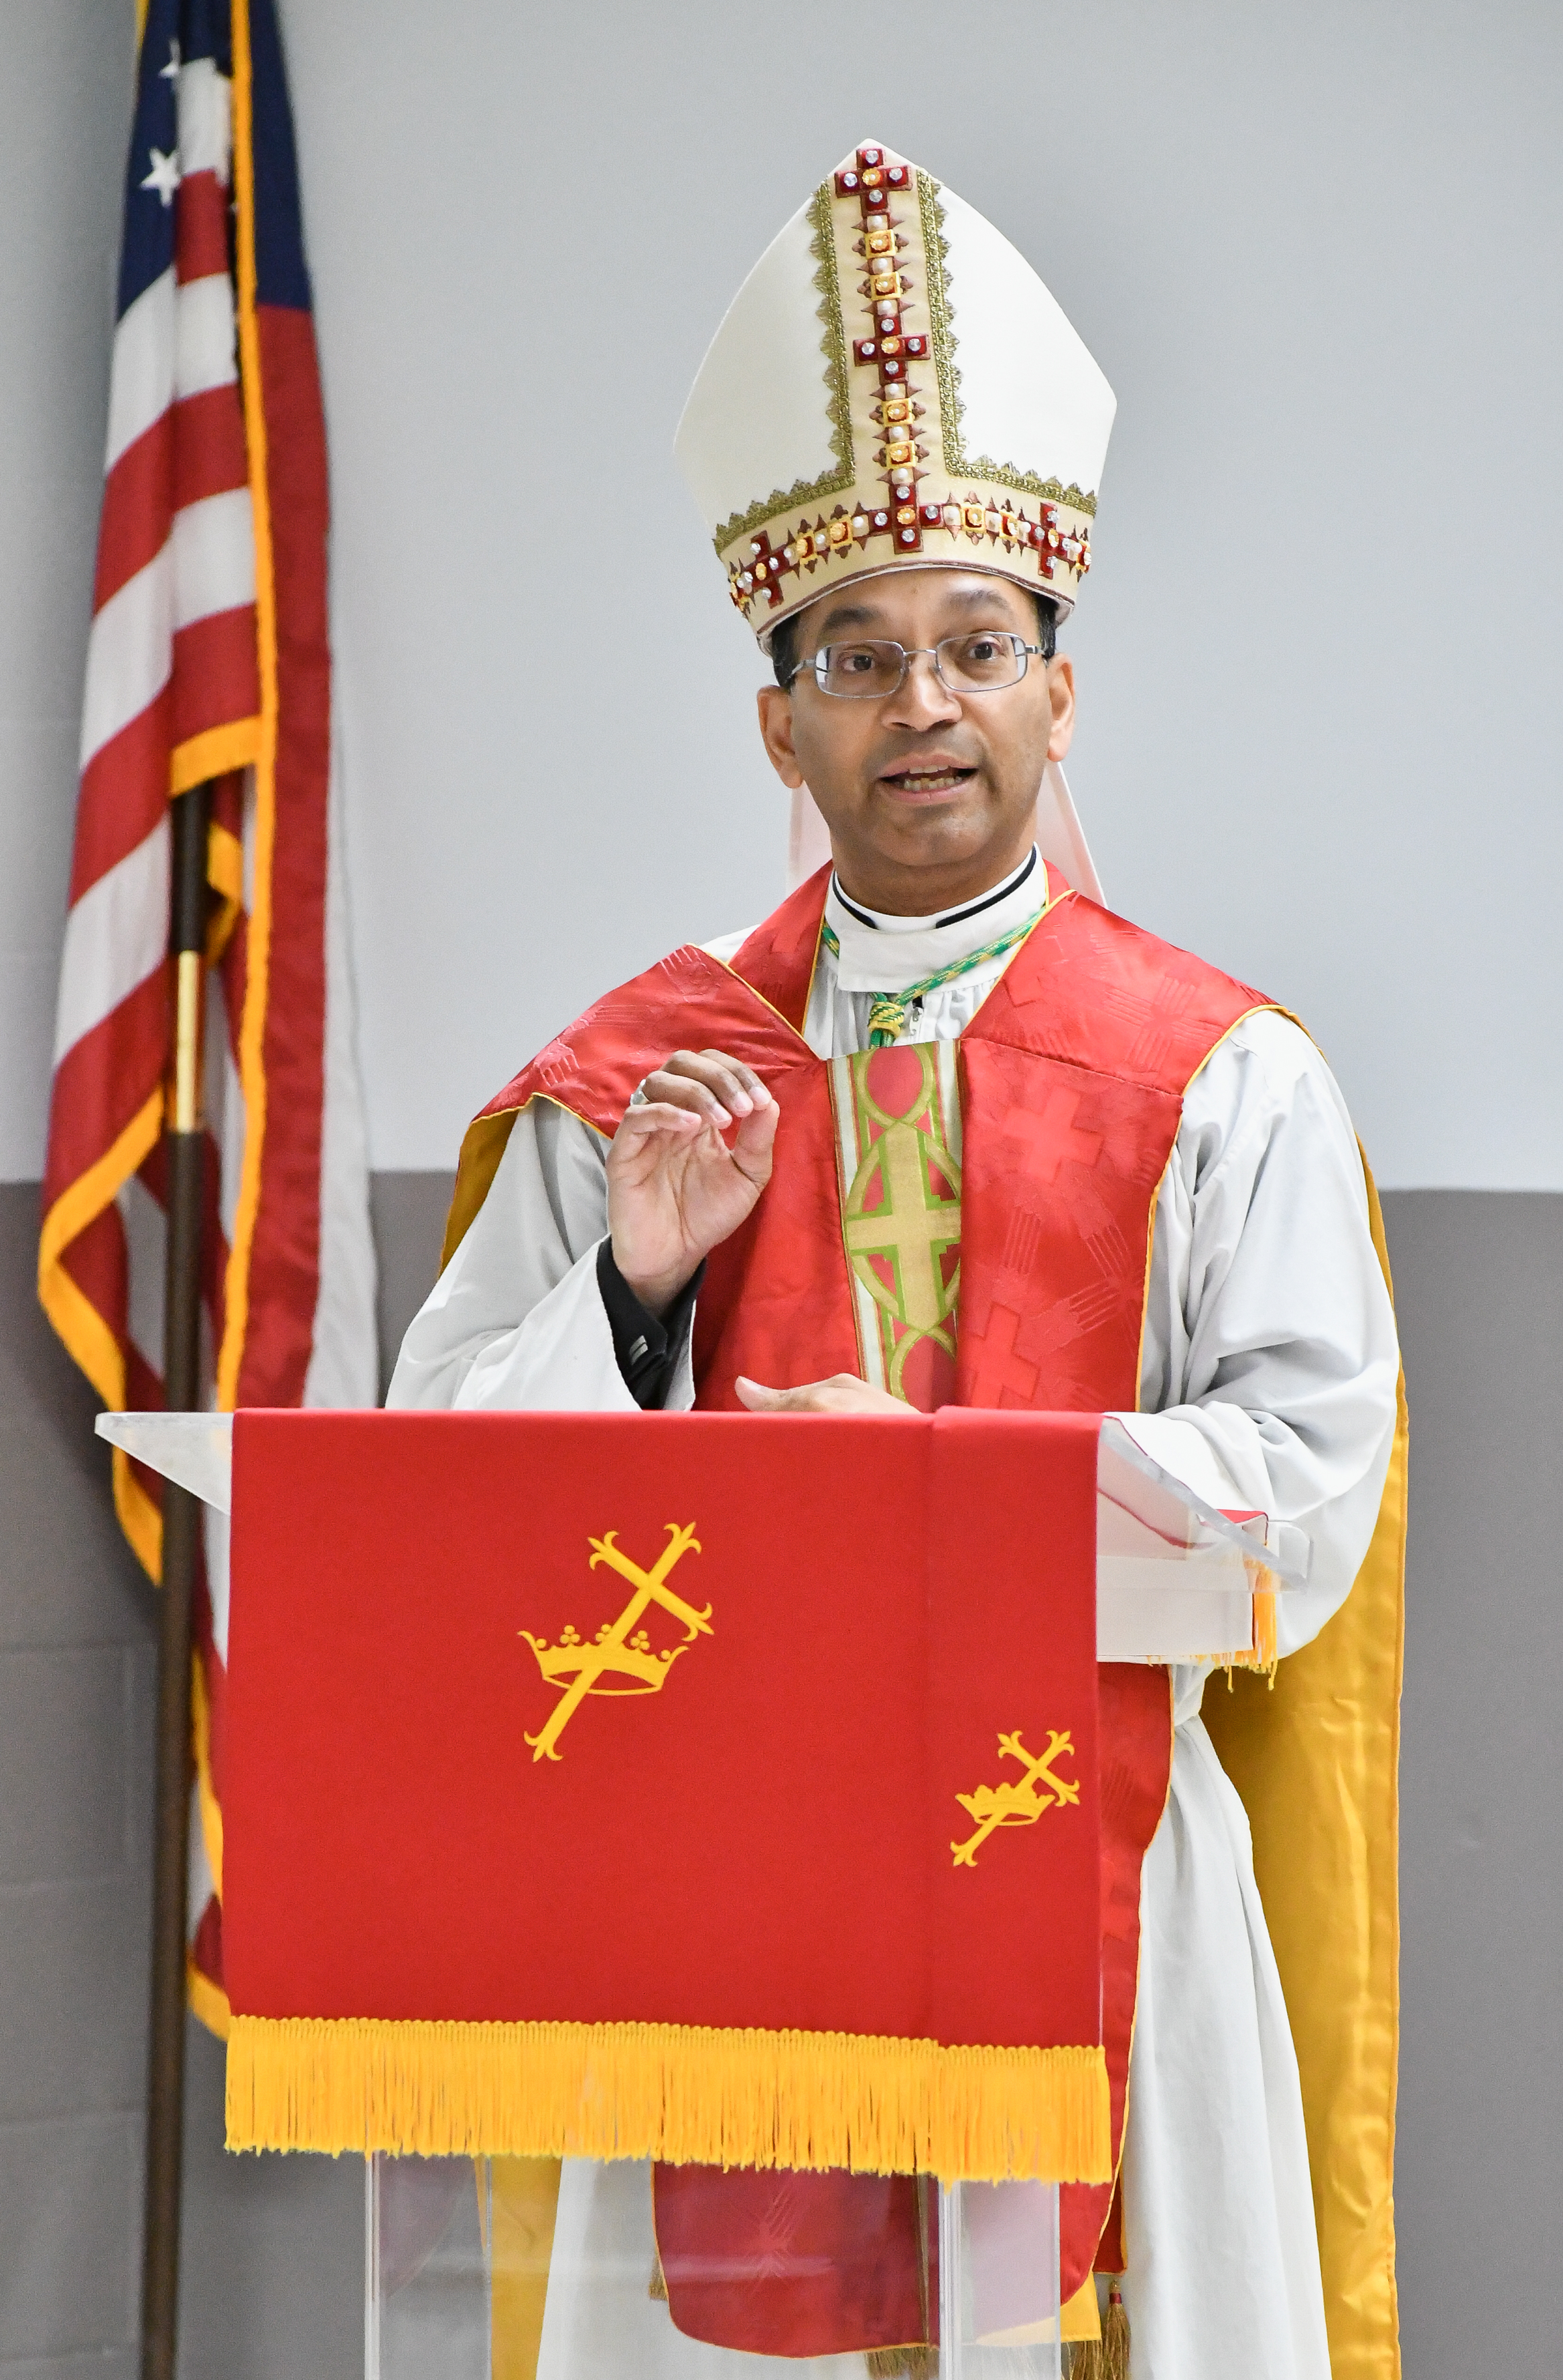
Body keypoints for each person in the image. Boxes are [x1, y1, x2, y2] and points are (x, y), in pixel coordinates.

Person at [390, 141, 1404, 2380]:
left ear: (1064, 693)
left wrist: (948, 1513)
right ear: (782, 724)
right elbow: (439, 1495)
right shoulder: (641, 1085)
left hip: (1102, 1883)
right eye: (860, 659)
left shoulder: (1228, 1077)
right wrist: (638, 1301)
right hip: (728, 1899)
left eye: (977, 649)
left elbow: (1304, 1505)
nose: (922, 704)